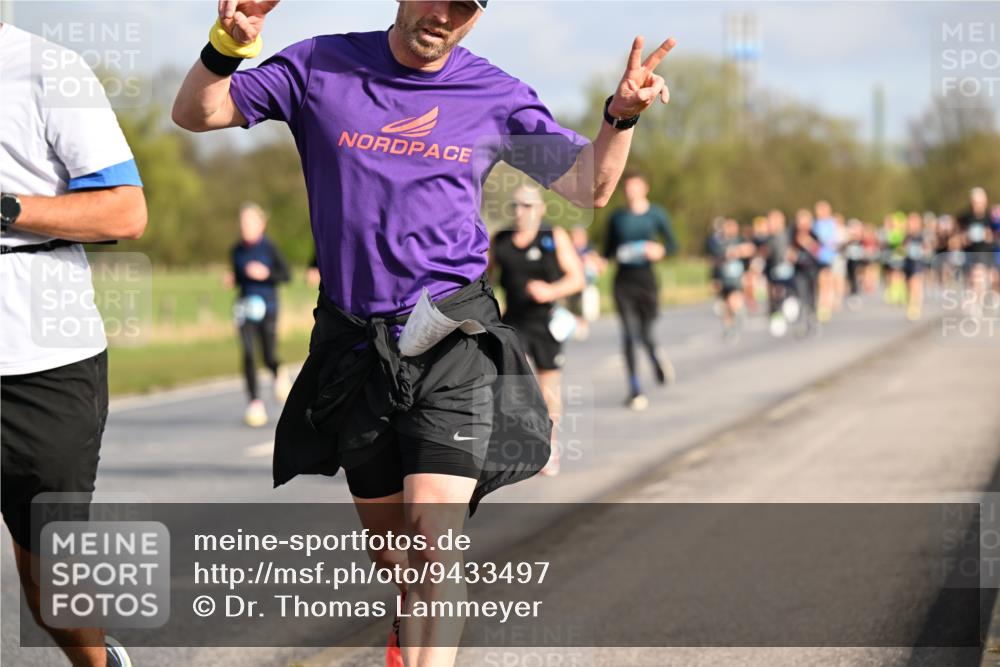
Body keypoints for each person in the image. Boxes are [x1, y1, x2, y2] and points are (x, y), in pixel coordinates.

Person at [172, 1, 675, 664]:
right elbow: (198, 113)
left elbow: (589, 185)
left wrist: (620, 116)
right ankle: (409, 629)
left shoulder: (493, 91)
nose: (444, 14)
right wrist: (227, 44)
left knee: (433, 535)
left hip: (452, 335)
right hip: (355, 341)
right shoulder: (321, 64)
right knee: (396, 553)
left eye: (463, 5)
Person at [1, 22, 147, 667]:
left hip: (43, 364)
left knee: (50, 584)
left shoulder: (46, 69)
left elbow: (125, 212)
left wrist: (6, 209)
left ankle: (98, 662)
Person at [489, 185, 585, 477]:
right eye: (516, 206)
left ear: (541, 209)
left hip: (546, 322)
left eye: (528, 206)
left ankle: (550, 446)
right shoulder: (501, 241)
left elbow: (577, 279)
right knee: (512, 384)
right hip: (513, 321)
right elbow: (483, 278)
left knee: (548, 387)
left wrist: (549, 290)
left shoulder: (553, 237)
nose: (521, 212)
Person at [602, 170, 678, 410]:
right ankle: (635, 389)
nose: (630, 191)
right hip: (623, 281)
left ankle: (655, 356)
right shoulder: (617, 218)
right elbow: (608, 251)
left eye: (635, 187)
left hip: (647, 280)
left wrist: (660, 251)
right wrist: (597, 261)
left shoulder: (656, 214)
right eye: (627, 187)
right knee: (628, 334)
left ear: (645, 188)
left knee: (645, 333)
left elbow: (673, 245)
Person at [226, 202, 292, 426]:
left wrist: (266, 274)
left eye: (250, 222)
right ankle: (254, 404)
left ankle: (278, 370)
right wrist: (233, 279)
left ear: (261, 224)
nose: (245, 226)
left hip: (268, 307)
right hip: (245, 306)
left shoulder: (269, 248)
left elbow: (286, 275)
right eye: (242, 222)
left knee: (267, 354)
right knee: (247, 353)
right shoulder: (236, 251)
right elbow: (239, 275)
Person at [709, 217, 756, 341]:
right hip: (723, 278)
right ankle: (729, 328)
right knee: (725, 306)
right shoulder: (717, 242)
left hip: (736, 278)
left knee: (733, 300)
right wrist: (714, 279)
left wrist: (738, 252)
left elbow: (750, 249)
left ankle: (738, 317)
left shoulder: (740, 240)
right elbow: (714, 260)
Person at [958, 187, 993, 317]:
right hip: (969, 251)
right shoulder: (966, 217)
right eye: (974, 202)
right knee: (972, 278)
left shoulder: (989, 217)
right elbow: (958, 234)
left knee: (980, 275)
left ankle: (978, 302)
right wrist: (963, 238)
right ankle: (975, 300)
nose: (977, 205)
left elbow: (995, 234)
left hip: (985, 250)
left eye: (979, 202)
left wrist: (989, 236)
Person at [566, 224, 606, 340]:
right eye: (574, 236)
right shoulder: (568, 250)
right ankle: (575, 323)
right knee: (571, 306)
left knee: (583, 303)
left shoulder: (589, 251)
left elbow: (601, 266)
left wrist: (592, 263)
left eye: (578, 236)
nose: (576, 239)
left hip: (585, 284)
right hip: (571, 284)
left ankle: (582, 323)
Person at [762, 209, 794, 336]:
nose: (770, 224)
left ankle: (788, 305)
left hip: (786, 272)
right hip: (772, 270)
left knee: (784, 291)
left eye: (772, 221)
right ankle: (776, 315)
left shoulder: (788, 235)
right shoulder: (767, 238)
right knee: (773, 293)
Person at [811, 200, 839, 323]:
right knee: (820, 282)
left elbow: (832, 240)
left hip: (828, 256)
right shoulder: (815, 224)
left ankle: (826, 304)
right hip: (818, 257)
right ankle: (823, 304)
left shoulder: (831, 223)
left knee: (827, 280)